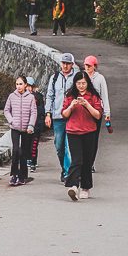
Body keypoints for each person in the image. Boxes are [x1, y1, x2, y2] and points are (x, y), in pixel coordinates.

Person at [62, 70, 103, 199]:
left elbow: (97, 115)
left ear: (88, 83)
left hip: (89, 131)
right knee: (77, 159)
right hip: (73, 131)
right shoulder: (70, 96)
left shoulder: (93, 96)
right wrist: (72, 106)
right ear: (75, 84)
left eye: (83, 83)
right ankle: (73, 186)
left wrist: (87, 105)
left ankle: (85, 187)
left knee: (87, 161)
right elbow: (64, 114)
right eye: (78, 83)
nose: (81, 86)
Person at [44, 52, 76, 181]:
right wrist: (48, 114)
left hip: (72, 116)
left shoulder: (76, 78)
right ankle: (64, 168)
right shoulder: (55, 77)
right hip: (57, 116)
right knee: (59, 145)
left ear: (72, 64)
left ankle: (68, 172)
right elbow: (50, 96)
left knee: (69, 146)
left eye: (68, 63)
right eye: (63, 63)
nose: (65, 66)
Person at [4, 75, 37, 185]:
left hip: (27, 129)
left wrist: (31, 125)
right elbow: (6, 110)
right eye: (17, 84)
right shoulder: (11, 96)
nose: (19, 86)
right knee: (16, 151)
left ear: (25, 85)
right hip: (15, 128)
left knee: (24, 152)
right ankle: (14, 174)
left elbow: (33, 112)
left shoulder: (31, 97)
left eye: (21, 84)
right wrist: (11, 121)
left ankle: (23, 175)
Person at [82, 54, 111, 168]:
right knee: (83, 138)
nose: (87, 68)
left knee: (93, 139)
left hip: (96, 111)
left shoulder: (100, 78)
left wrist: (107, 113)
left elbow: (104, 96)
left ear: (94, 66)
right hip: (83, 112)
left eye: (89, 66)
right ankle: (84, 161)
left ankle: (90, 163)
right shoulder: (82, 77)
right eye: (86, 65)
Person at [26, 76, 45, 172]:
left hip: (36, 125)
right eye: (27, 86)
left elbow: (41, 112)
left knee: (34, 144)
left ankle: (33, 162)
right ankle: (28, 159)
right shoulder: (21, 97)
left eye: (30, 86)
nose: (28, 88)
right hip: (26, 125)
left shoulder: (38, 97)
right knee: (27, 143)